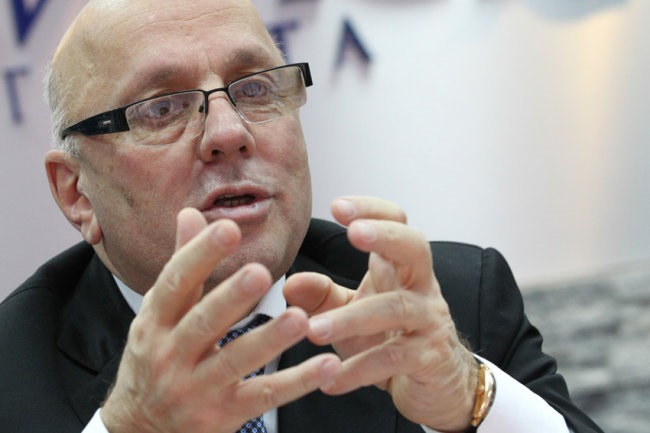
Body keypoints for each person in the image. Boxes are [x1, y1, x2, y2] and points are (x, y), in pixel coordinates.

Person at [0, 0, 603, 432]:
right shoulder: (12, 371)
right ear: (77, 193)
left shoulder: (451, 301)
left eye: (254, 88)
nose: (228, 132)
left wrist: (469, 401)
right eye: (162, 108)